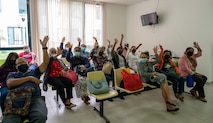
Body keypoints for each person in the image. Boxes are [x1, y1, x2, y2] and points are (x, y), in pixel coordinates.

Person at [2, 35, 49, 123]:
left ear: (28, 64)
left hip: (34, 98)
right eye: (19, 63)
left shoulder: (35, 71)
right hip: (16, 98)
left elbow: (46, 62)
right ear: (16, 67)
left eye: (23, 62)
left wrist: (44, 47)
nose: (21, 64)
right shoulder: (12, 74)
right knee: (8, 121)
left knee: (40, 116)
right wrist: (30, 78)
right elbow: (9, 83)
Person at [137, 46, 179, 112]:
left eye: (144, 57)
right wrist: (152, 73)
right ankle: (169, 99)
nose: (142, 58)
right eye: (141, 57)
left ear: (147, 58)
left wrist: (156, 53)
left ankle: (169, 106)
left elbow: (158, 60)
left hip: (153, 78)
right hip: (146, 80)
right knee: (163, 77)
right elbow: (142, 74)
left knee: (163, 85)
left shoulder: (149, 63)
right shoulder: (140, 64)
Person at [0, 52, 19, 119]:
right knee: (4, 94)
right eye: (11, 59)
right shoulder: (3, 67)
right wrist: (6, 77)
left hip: (17, 84)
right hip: (6, 85)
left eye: (15, 59)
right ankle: (4, 113)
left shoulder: (18, 67)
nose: (13, 60)